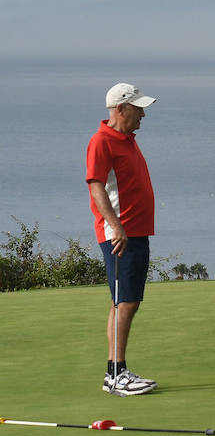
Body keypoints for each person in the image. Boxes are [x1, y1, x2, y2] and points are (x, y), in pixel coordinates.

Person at [86, 83, 159, 395]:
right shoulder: (102, 141)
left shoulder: (127, 139)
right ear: (120, 110)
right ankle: (115, 375)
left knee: (128, 302)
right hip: (120, 236)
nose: (143, 114)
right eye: (137, 108)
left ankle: (117, 372)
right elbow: (96, 186)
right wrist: (115, 226)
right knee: (124, 302)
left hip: (136, 232)